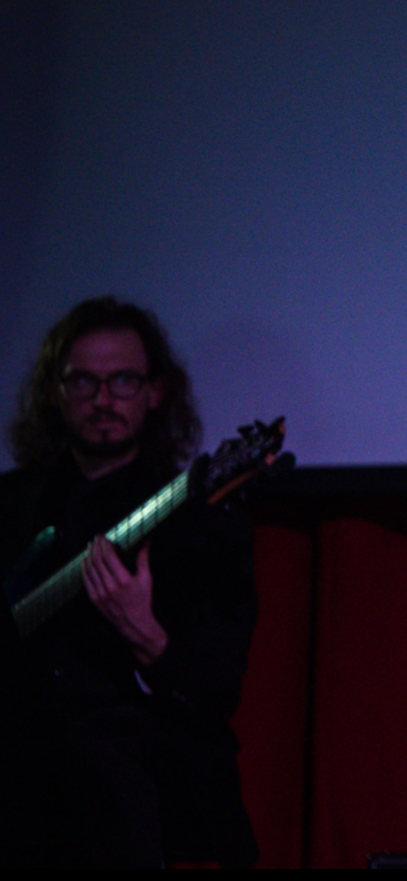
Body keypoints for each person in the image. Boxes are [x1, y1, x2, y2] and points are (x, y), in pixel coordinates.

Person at [0, 297, 259, 868]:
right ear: (54, 391)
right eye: (82, 382)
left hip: (142, 778)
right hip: (25, 769)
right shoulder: (9, 508)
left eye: (122, 381)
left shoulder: (205, 525)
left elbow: (214, 696)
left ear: (155, 392)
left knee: (101, 749)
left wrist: (144, 632)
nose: (102, 400)